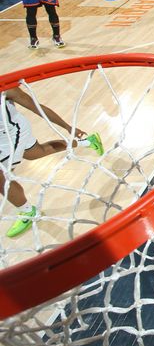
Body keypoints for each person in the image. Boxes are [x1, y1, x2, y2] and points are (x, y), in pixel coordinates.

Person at [1, 87, 103, 238]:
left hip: (14, 133)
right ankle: (87, 142)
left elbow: (36, 106)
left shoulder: (5, 87)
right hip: (5, 137)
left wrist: (68, 127)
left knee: (2, 176)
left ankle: (28, 211)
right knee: (35, 153)